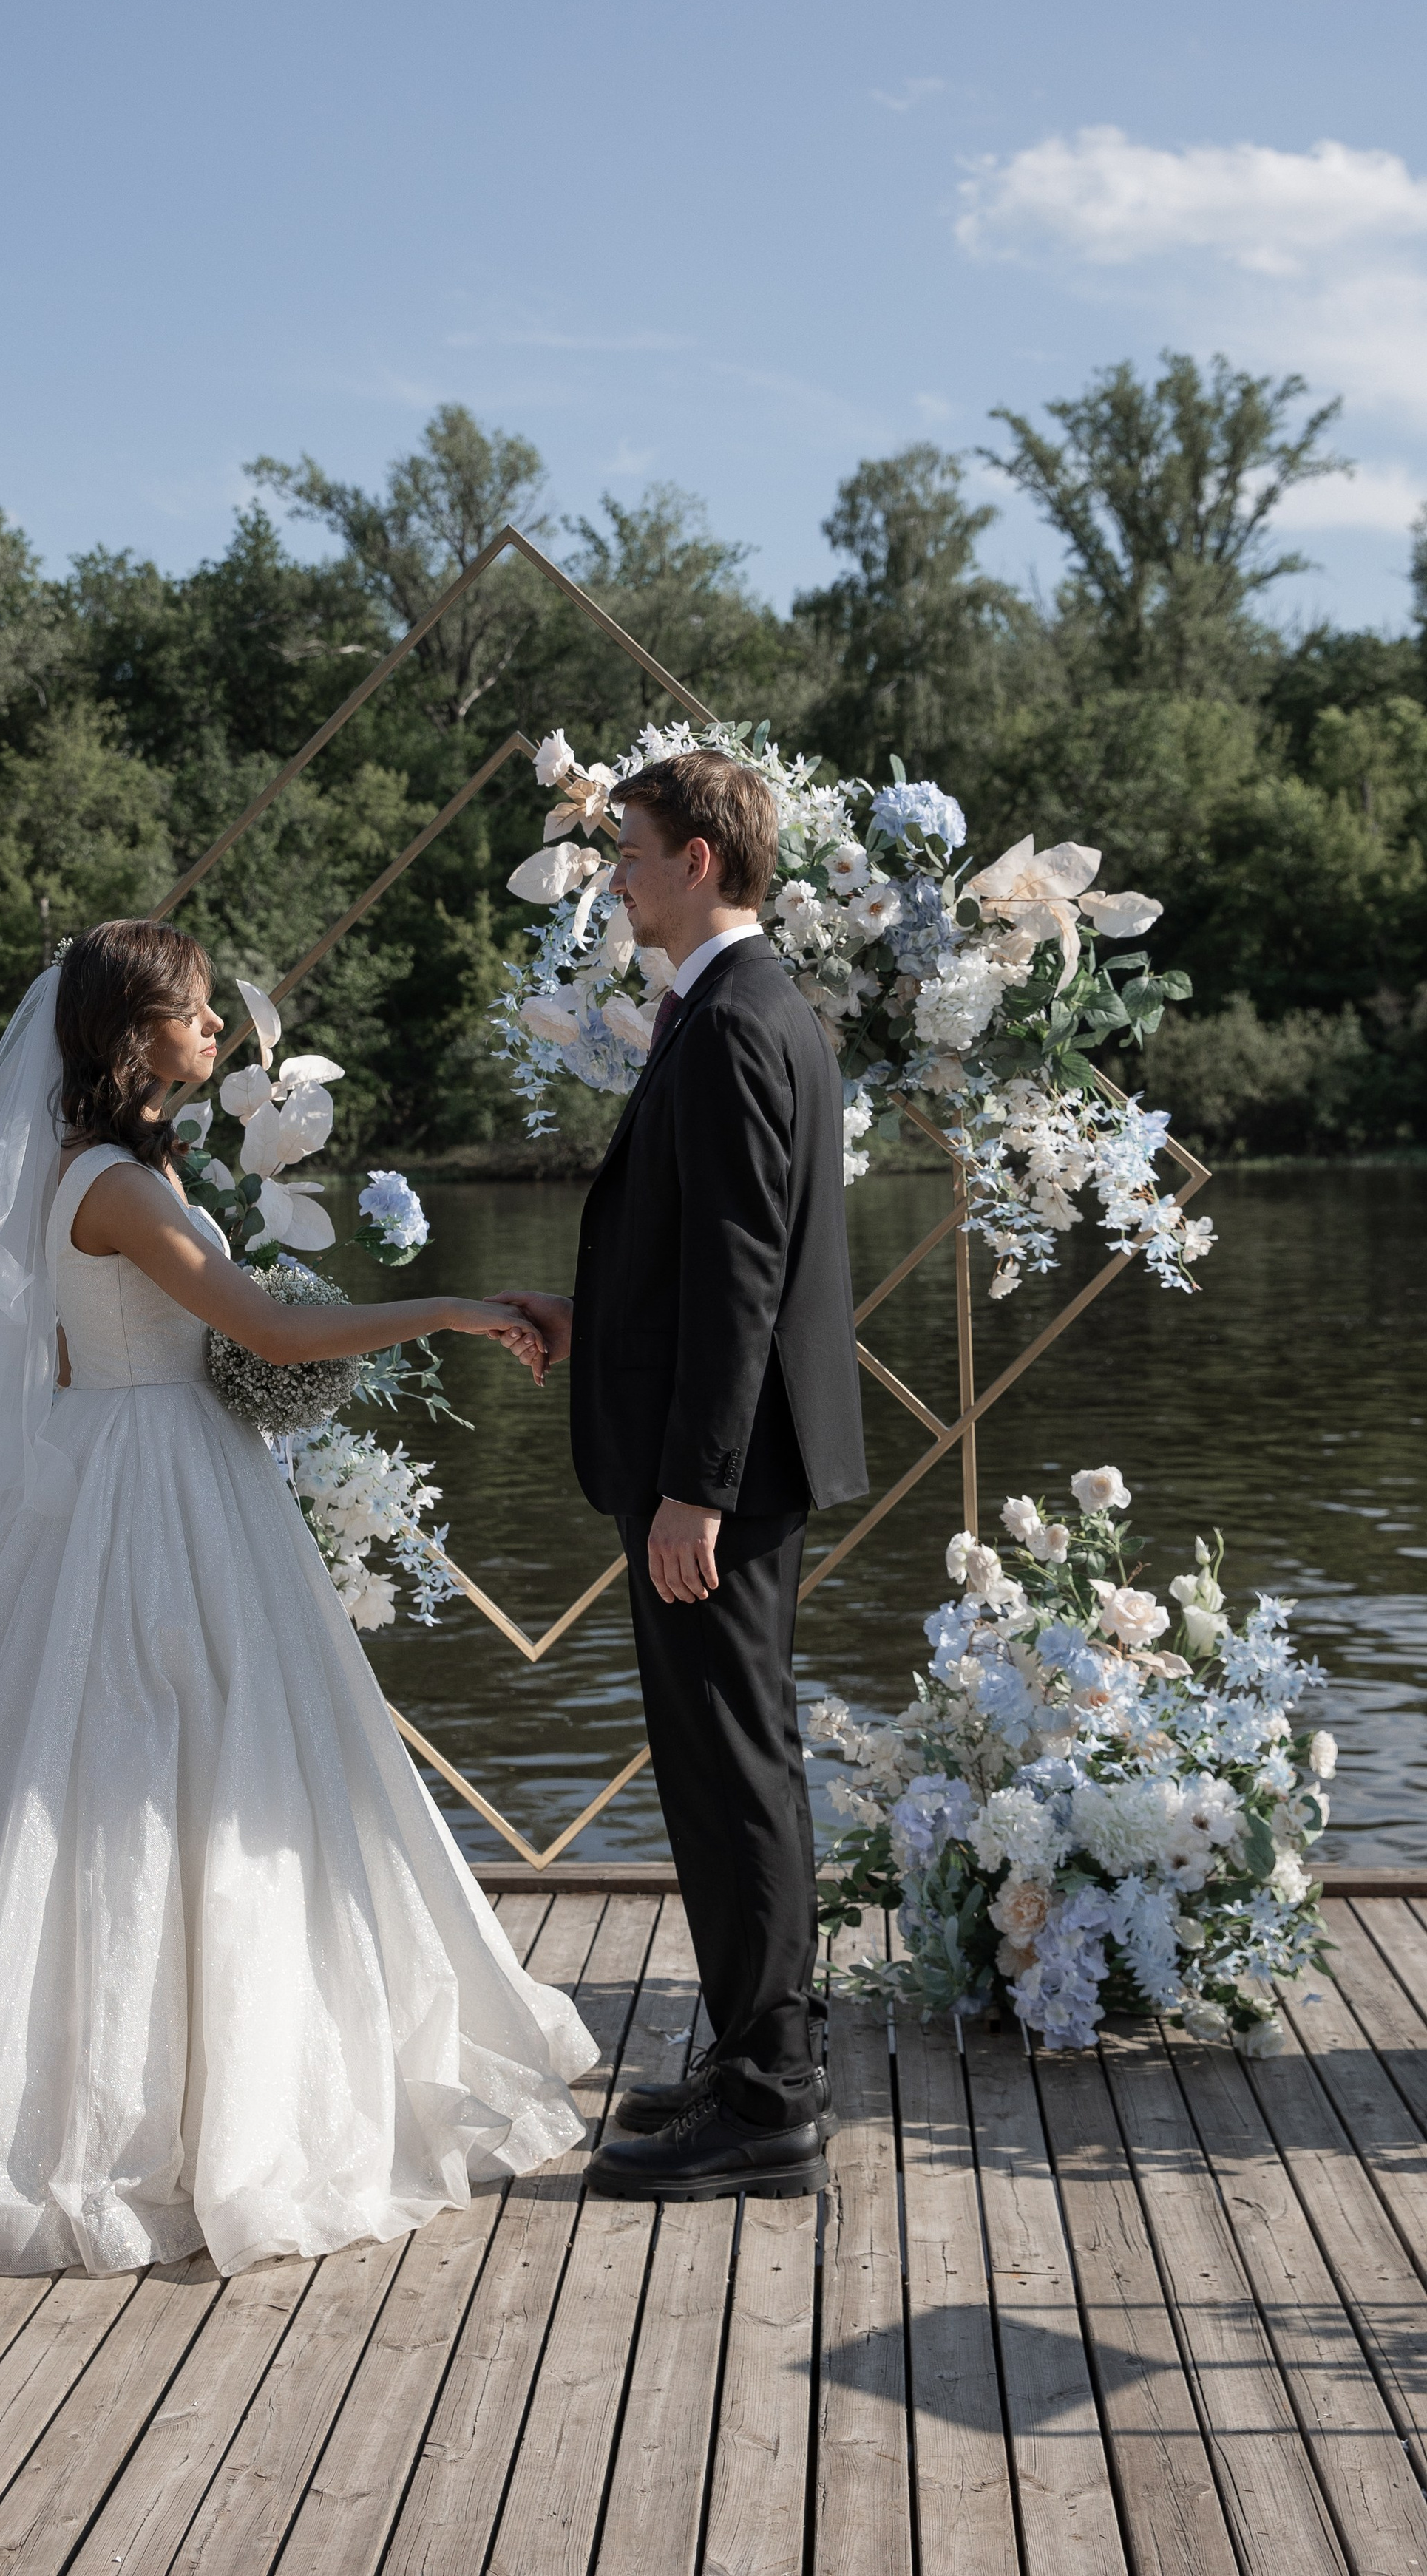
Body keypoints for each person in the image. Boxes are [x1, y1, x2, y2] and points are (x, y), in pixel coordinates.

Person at [0, 919, 595, 2278]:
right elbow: (264, 1330)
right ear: (131, 1033)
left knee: (155, 1759)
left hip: (145, 1458)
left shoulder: (117, 1169)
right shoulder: (117, 1187)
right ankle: (121, 2111)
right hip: (151, 1480)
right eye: (195, 1013)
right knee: (150, 1761)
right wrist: (447, 1306)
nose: (215, 1031)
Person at [496, 750, 867, 2201]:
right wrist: (599, 1327)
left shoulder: (728, 1022)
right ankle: (748, 2054)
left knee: (731, 1772)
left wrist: (694, 1488)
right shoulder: (745, 1007)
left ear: (701, 858)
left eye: (634, 852)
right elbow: (707, 1253)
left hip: (718, 1472)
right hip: (723, 1453)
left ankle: (769, 2099)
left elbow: (740, 1271)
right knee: (730, 1764)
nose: (620, 878)